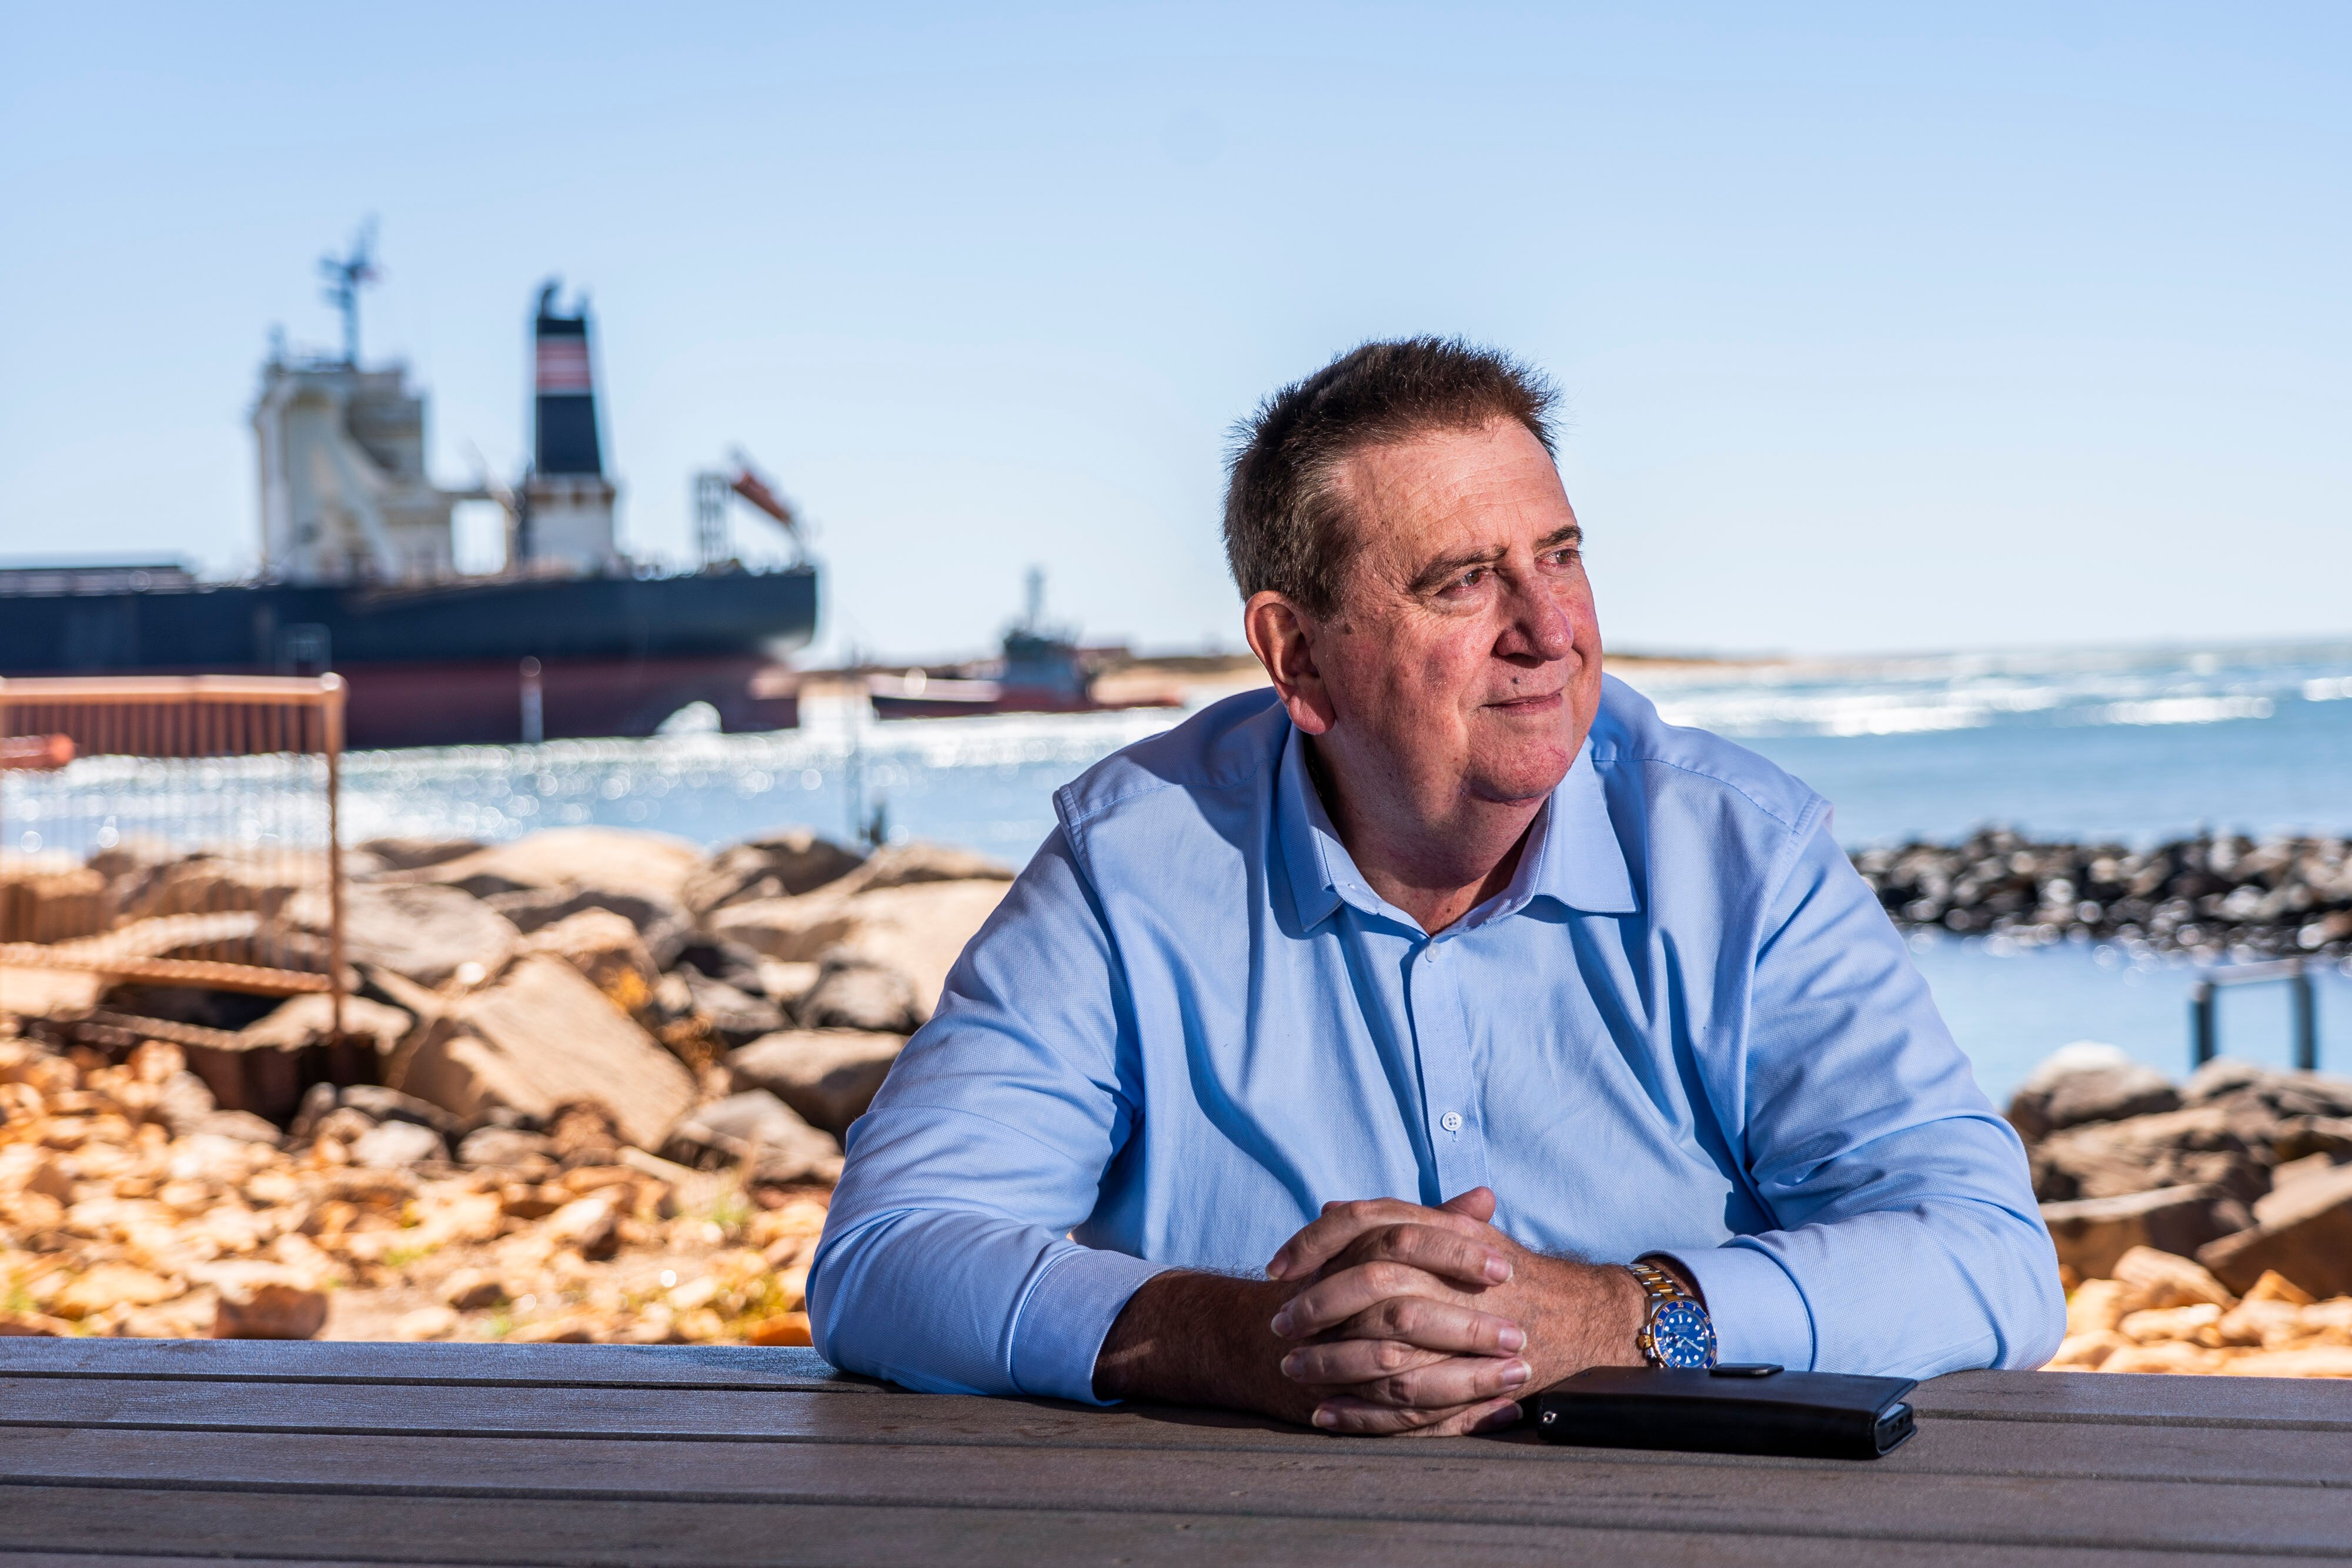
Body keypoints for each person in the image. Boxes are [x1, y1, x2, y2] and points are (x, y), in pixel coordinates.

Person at [808, 339, 2065, 1435]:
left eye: (1558, 556)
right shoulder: (1131, 865)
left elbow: (1988, 1256)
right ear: (1298, 657)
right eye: (1462, 581)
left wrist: (1625, 1315)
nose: (1547, 627)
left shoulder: (1740, 853)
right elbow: (886, 1254)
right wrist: (1241, 1338)